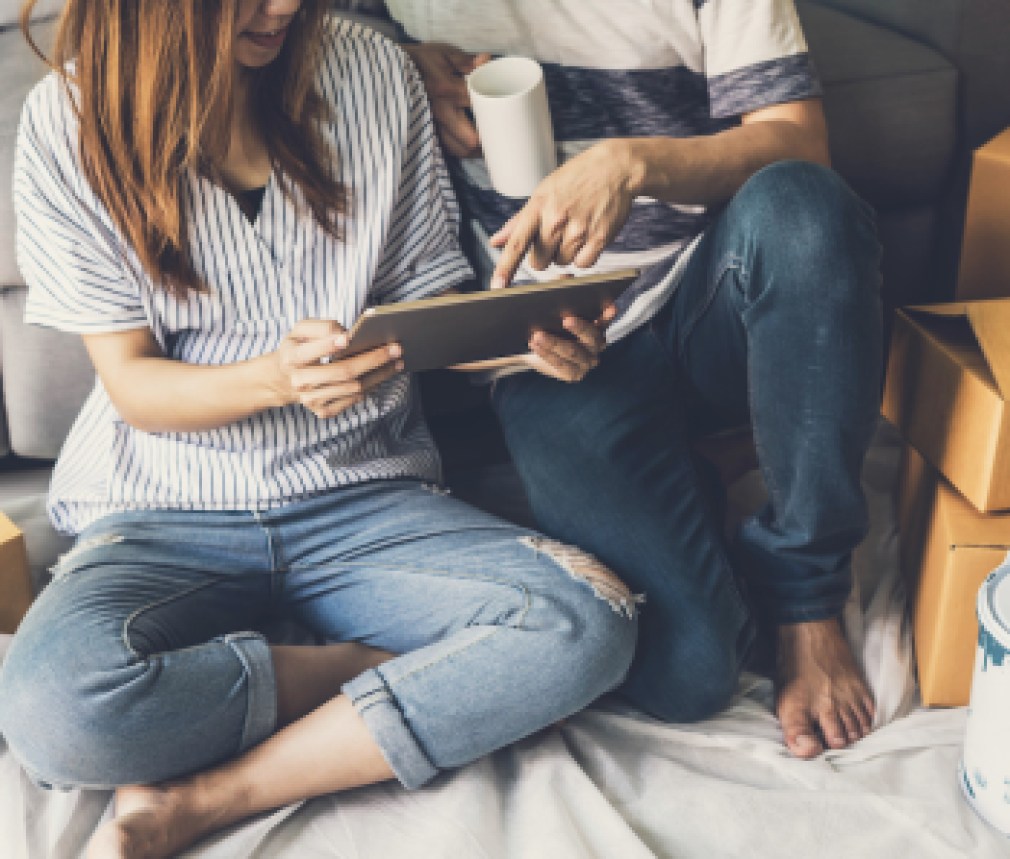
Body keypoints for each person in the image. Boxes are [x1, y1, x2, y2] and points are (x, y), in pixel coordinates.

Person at [0, 2, 639, 857]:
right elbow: (135, 387)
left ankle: (211, 797)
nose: (286, 7)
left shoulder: (374, 70)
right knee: (57, 717)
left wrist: (522, 345)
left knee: (589, 622)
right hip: (160, 509)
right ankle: (356, 664)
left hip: (366, 496)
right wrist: (273, 378)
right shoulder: (66, 122)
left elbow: (424, 314)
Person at [369, 0, 884, 759]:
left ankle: (806, 592)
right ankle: (700, 474)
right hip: (546, 348)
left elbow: (797, 139)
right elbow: (298, 36)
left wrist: (635, 164)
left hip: (705, 290)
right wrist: (396, 60)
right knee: (688, 677)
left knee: (808, 211)